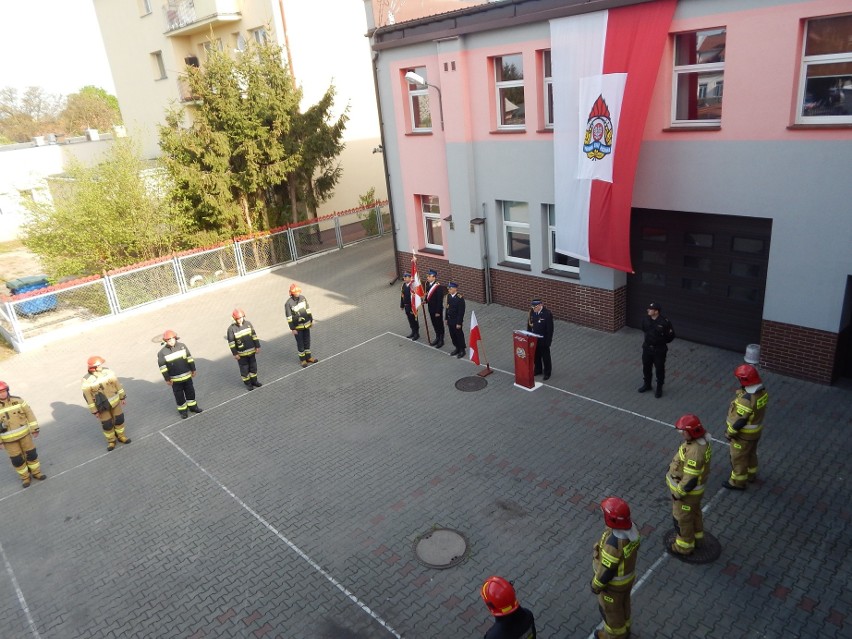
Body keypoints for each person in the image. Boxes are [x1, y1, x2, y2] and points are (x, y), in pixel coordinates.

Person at [591, 497, 640, 639]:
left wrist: (595, 586)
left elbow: (607, 571)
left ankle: (614, 635)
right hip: (627, 579)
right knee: (624, 604)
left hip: (612, 586)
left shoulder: (613, 545)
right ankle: (626, 627)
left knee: (611, 611)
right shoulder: (633, 531)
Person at [666, 414, 712, 555]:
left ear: (691, 432)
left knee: (683, 519)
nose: (681, 434)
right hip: (694, 495)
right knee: (695, 514)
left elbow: (690, 480)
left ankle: (684, 547)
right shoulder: (699, 443)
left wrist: (678, 494)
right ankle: (698, 539)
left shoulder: (695, 451)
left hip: (687, 495)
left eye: (683, 431)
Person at [723, 364, 769, 490]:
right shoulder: (762, 393)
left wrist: (730, 433)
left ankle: (738, 482)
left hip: (742, 436)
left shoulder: (746, 400)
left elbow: (740, 421)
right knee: (751, 454)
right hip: (755, 433)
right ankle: (751, 474)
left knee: (738, 458)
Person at [0, 380, 47, 488]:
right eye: (0, 392)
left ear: (8, 390)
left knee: (31, 454)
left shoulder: (18, 400)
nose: (2, 393)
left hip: (25, 435)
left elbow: (29, 414)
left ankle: (36, 473)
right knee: (17, 460)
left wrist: (35, 428)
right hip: (8, 441)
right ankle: (25, 478)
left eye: (4, 391)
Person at [82, 356, 131, 451]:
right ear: (93, 367)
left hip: (115, 401)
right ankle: (111, 441)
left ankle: (121, 436)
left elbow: (117, 384)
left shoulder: (107, 371)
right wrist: (94, 411)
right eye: (99, 365)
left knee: (119, 419)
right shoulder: (86, 379)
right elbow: (88, 396)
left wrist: (122, 396)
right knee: (107, 424)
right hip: (102, 407)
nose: (101, 366)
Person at [157, 330, 202, 419]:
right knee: (179, 396)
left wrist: (193, 369)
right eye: (169, 340)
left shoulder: (182, 346)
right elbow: (163, 368)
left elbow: (189, 358)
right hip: (175, 380)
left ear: (175, 338)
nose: (171, 341)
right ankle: (183, 411)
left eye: (172, 339)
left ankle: (193, 407)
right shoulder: (162, 353)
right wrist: (167, 379)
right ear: (165, 341)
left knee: (190, 392)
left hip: (187, 376)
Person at [637, 301, 675, 398]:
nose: (648, 310)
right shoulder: (645, 319)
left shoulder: (664, 322)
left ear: (656, 311)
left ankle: (659, 388)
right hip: (647, 348)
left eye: (650, 309)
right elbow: (644, 329)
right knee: (646, 367)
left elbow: (670, 336)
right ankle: (647, 384)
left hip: (659, 350)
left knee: (659, 369)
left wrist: (660, 342)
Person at [227, 308, 263, 390]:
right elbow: (231, 343)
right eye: (238, 318)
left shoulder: (248, 324)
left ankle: (254, 381)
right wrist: (235, 354)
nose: (240, 320)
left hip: (251, 351)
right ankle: (248, 384)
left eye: (241, 317)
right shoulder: (231, 329)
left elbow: (254, 335)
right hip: (241, 355)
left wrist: (257, 346)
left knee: (253, 368)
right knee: (244, 370)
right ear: (234, 319)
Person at [285, 283, 318, 368]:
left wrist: (311, 320)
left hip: (306, 325)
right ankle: (303, 360)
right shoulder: (288, 303)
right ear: (291, 293)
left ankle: (309, 357)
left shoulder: (303, 298)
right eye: (295, 292)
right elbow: (289, 317)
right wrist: (292, 328)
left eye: (298, 292)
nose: (297, 293)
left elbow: (308, 309)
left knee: (307, 341)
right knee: (300, 343)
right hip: (297, 327)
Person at [527, 299, 554, 380]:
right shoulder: (532, 312)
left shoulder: (547, 314)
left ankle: (547, 372)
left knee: (545, 357)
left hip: (543, 339)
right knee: (536, 355)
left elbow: (550, 329)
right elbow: (529, 324)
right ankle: (538, 369)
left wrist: (548, 341)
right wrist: (528, 335)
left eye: (535, 307)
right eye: (533, 307)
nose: (533, 309)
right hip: (534, 339)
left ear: (540, 305)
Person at [424, 269, 446, 348]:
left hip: (437, 309)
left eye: (429, 276)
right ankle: (437, 337)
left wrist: (437, 311)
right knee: (434, 323)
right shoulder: (427, 285)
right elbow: (427, 296)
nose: (428, 278)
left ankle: (441, 339)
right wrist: (425, 301)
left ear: (434, 277)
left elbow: (439, 300)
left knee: (439, 324)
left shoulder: (438, 287)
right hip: (431, 308)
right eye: (428, 276)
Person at [445, 282, 466, 358]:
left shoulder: (460, 298)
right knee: (452, 335)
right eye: (449, 289)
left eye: (450, 289)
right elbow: (447, 308)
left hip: (456, 320)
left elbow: (461, 312)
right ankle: (457, 347)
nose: (449, 290)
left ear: (455, 289)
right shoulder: (448, 296)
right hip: (450, 320)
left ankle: (462, 350)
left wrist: (459, 323)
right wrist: (446, 318)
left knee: (459, 335)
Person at [399, 272, 420, 341]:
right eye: (404, 277)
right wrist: (402, 305)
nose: (404, 279)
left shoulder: (413, 286)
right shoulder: (403, 285)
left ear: (410, 277)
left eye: (406, 277)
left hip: (412, 306)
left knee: (414, 320)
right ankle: (413, 331)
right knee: (410, 320)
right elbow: (402, 296)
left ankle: (416, 333)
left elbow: (416, 297)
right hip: (407, 306)